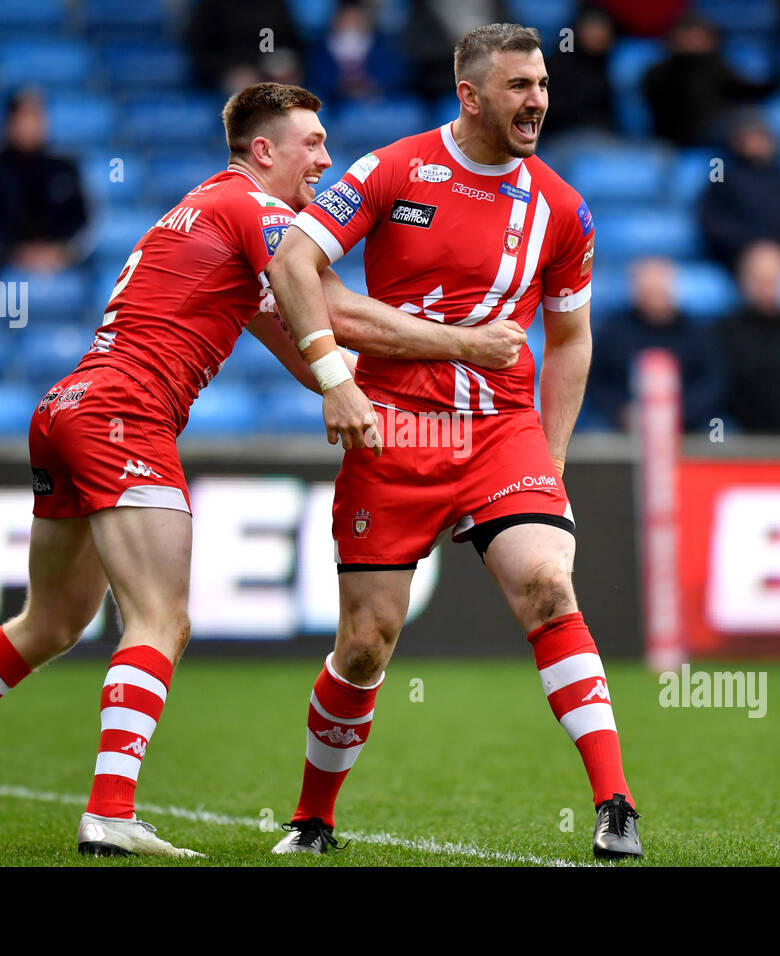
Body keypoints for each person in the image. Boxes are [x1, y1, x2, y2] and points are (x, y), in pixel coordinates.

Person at [0, 83, 528, 859]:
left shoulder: (211, 217)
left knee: (52, 622)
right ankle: (110, 813)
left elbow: (316, 353)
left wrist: (391, 398)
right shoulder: (258, 212)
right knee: (160, 621)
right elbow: (335, 310)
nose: (327, 158)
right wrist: (464, 346)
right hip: (126, 416)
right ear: (262, 150)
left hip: (68, 407)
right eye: (310, 142)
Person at [265, 23, 642, 860]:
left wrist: (552, 455)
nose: (537, 100)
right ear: (470, 95)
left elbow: (571, 338)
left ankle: (616, 805)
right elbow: (294, 261)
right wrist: (337, 381)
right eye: (518, 86)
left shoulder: (562, 206)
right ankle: (314, 818)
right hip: (394, 427)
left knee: (548, 587)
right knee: (364, 646)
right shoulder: (392, 169)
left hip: (501, 430)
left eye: (542, 84)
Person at [587, 257, 724, 431]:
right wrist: (621, 411)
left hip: (689, 422)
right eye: (647, 291)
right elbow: (596, 382)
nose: (654, 297)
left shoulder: (697, 333)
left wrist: (681, 413)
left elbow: (711, 383)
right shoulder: (612, 332)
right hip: (621, 423)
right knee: (595, 434)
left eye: (658, 290)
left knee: (719, 431)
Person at [0, 88, 88, 276]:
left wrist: (61, 252)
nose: (29, 125)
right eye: (22, 118)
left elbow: (85, 221)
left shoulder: (65, 166)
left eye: (35, 117)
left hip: (60, 266)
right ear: (9, 122)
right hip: (1, 269)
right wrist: (13, 254)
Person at [715, 241, 780, 433]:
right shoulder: (721, 333)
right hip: (737, 438)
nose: (767, 288)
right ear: (743, 282)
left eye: (774, 280)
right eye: (761, 280)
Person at [640, 14, 777, 148]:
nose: (692, 42)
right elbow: (675, 109)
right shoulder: (659, 72)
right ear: (672, 39)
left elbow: (744, 90)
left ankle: (759, 167)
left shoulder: (716, 65)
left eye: (698, 36)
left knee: (753, 116)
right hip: (681, 134)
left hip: (719, 127)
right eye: (687, 36)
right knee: (745, 121)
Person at [697, 111, 780, 270]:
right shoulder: (722, 179)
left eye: (762, 136)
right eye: (750, 135)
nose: (758, 142)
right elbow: (713, 223)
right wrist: (750, 247)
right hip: (738, 260)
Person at [542, 4, 616, 134]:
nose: (597, 34)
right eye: (591, 26)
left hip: (607, 139)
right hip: (562, 139)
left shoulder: (614, 64)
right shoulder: (556, 65)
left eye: (601, 27)